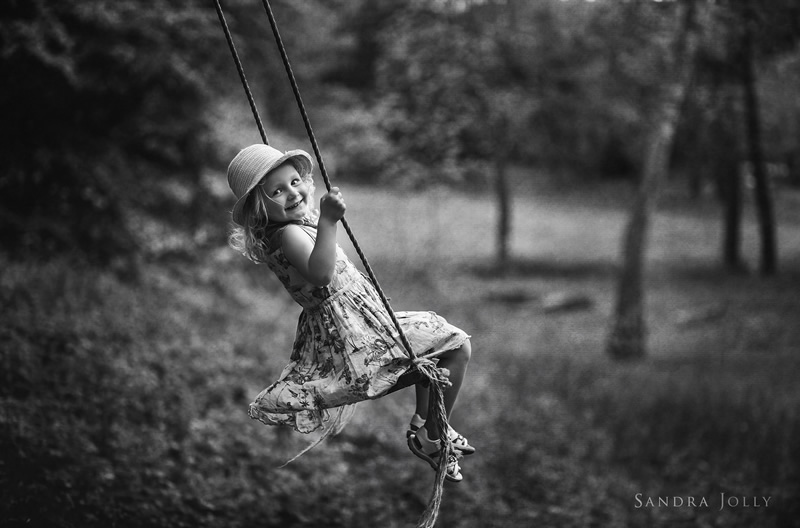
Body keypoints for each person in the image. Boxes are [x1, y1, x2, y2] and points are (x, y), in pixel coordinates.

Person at [226, 144, 474, 481]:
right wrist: (328, 222)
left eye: (295, 181)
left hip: (360, 323)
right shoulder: (286, 235)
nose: (292, 192)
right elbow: (321, 273)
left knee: (437, 348)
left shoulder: (292, 228)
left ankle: (427, 429)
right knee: (454, 345)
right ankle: (430, 434)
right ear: (259, 208)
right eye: (277, 191)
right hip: (350, 334)